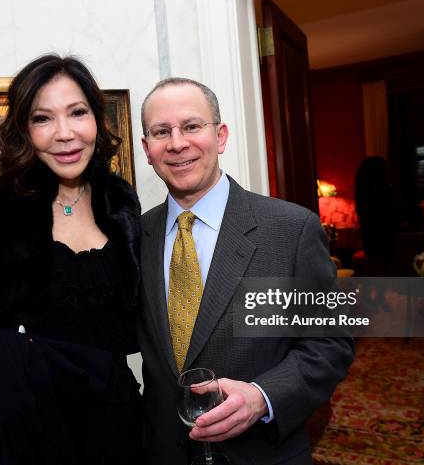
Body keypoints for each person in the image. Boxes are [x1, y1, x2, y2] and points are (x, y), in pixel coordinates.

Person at [0, 54, 142, 465]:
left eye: (77, 113)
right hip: (25, 431)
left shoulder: (120, 201)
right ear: (24, 129)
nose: (65, 134)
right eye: (43, 118)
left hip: (116, 426)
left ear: (97, 118)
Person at [137, 77, 355, 465]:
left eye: (191, 126)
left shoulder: (292, 229)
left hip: (260, 454)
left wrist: (262, 396)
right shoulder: (136, 236)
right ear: (147, 150)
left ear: (220, 136)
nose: (176, 143)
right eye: (161, 132)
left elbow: (330, 344)